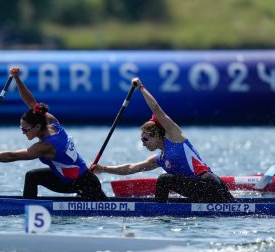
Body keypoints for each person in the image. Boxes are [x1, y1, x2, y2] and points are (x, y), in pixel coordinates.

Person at [0, 67, 107, 201]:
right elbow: (31, 102)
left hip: (83, 184)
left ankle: (27, 208)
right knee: (32, 176)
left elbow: (13, 156)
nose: (23, 133)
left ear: (37, 127)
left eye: (25, 129)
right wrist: (17, 78)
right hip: (74, 179)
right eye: (21, 128)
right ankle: (29, 205)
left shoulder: (45, 146)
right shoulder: (51, 121)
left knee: (32, 177)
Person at [91, 77, 235, 203]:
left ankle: (159, 211)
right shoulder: (159, 159)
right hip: (200, 190)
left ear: (157, 135)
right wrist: (103, 168)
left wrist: (141, 87)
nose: (143, 143)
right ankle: (162, 208)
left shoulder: (175, 137)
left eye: (145, 139)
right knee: (166, 179)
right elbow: (131, 168)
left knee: (164, 179)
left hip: (209, 183)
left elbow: (156, 108)